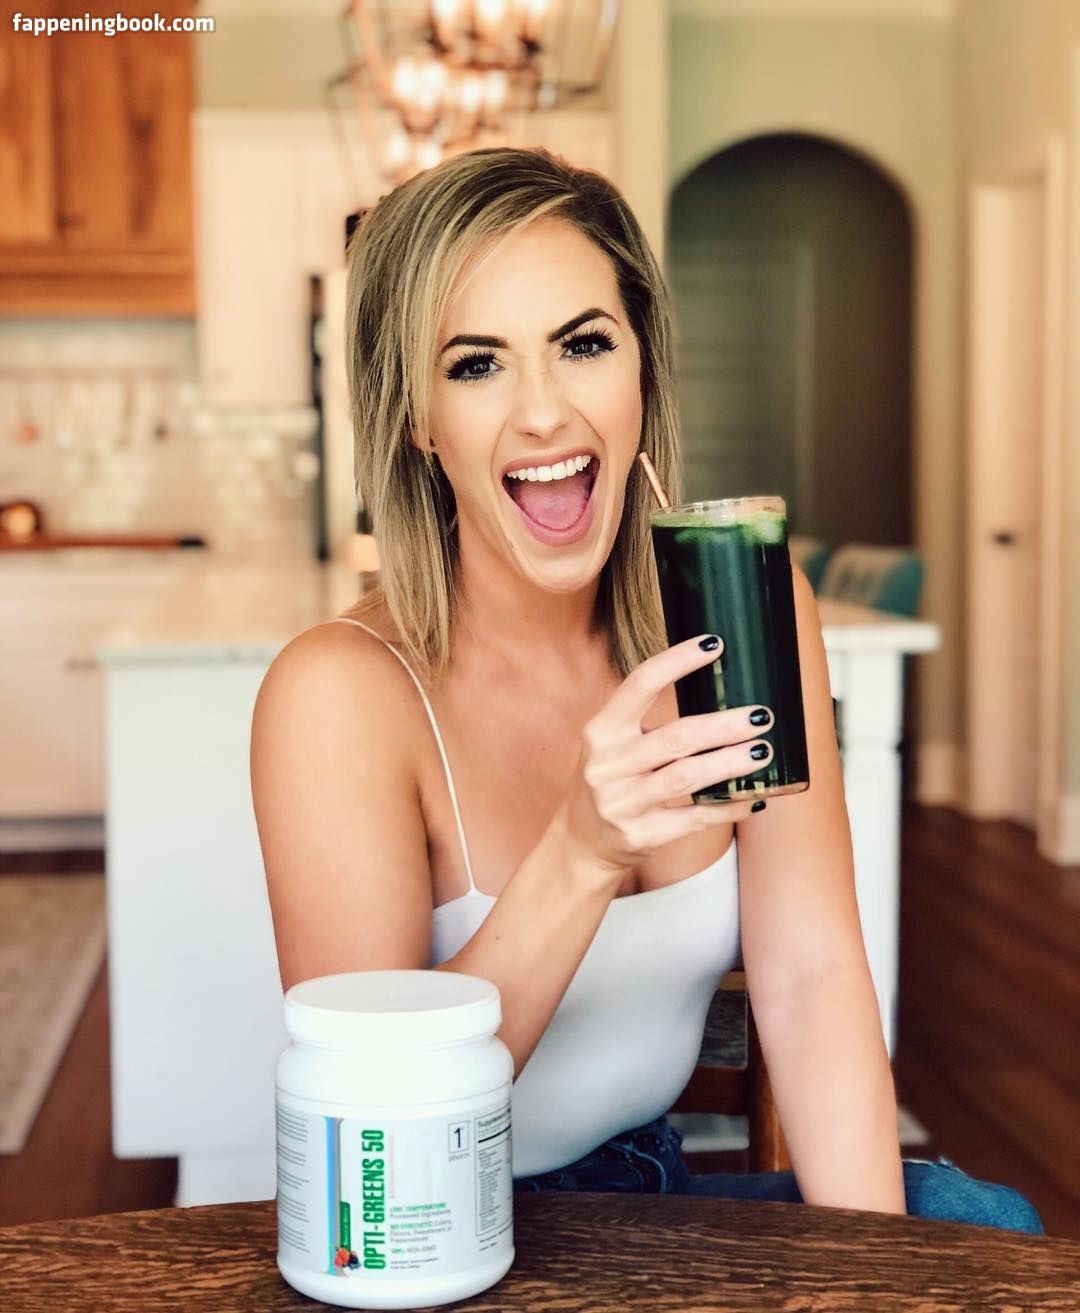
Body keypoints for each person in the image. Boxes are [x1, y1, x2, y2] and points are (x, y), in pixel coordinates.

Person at [250, 146, 1043, 1234]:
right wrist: (581, 852)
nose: (542, 413)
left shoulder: (746, 609)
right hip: (436, 1227)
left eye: (583, 344)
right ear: (417, 419)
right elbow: (379, 1123)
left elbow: (812, 972)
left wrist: (865, 1271)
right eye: (476, 364)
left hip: (651, 1196)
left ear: (642, 373)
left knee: (980, 1224)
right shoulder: (339, 694)